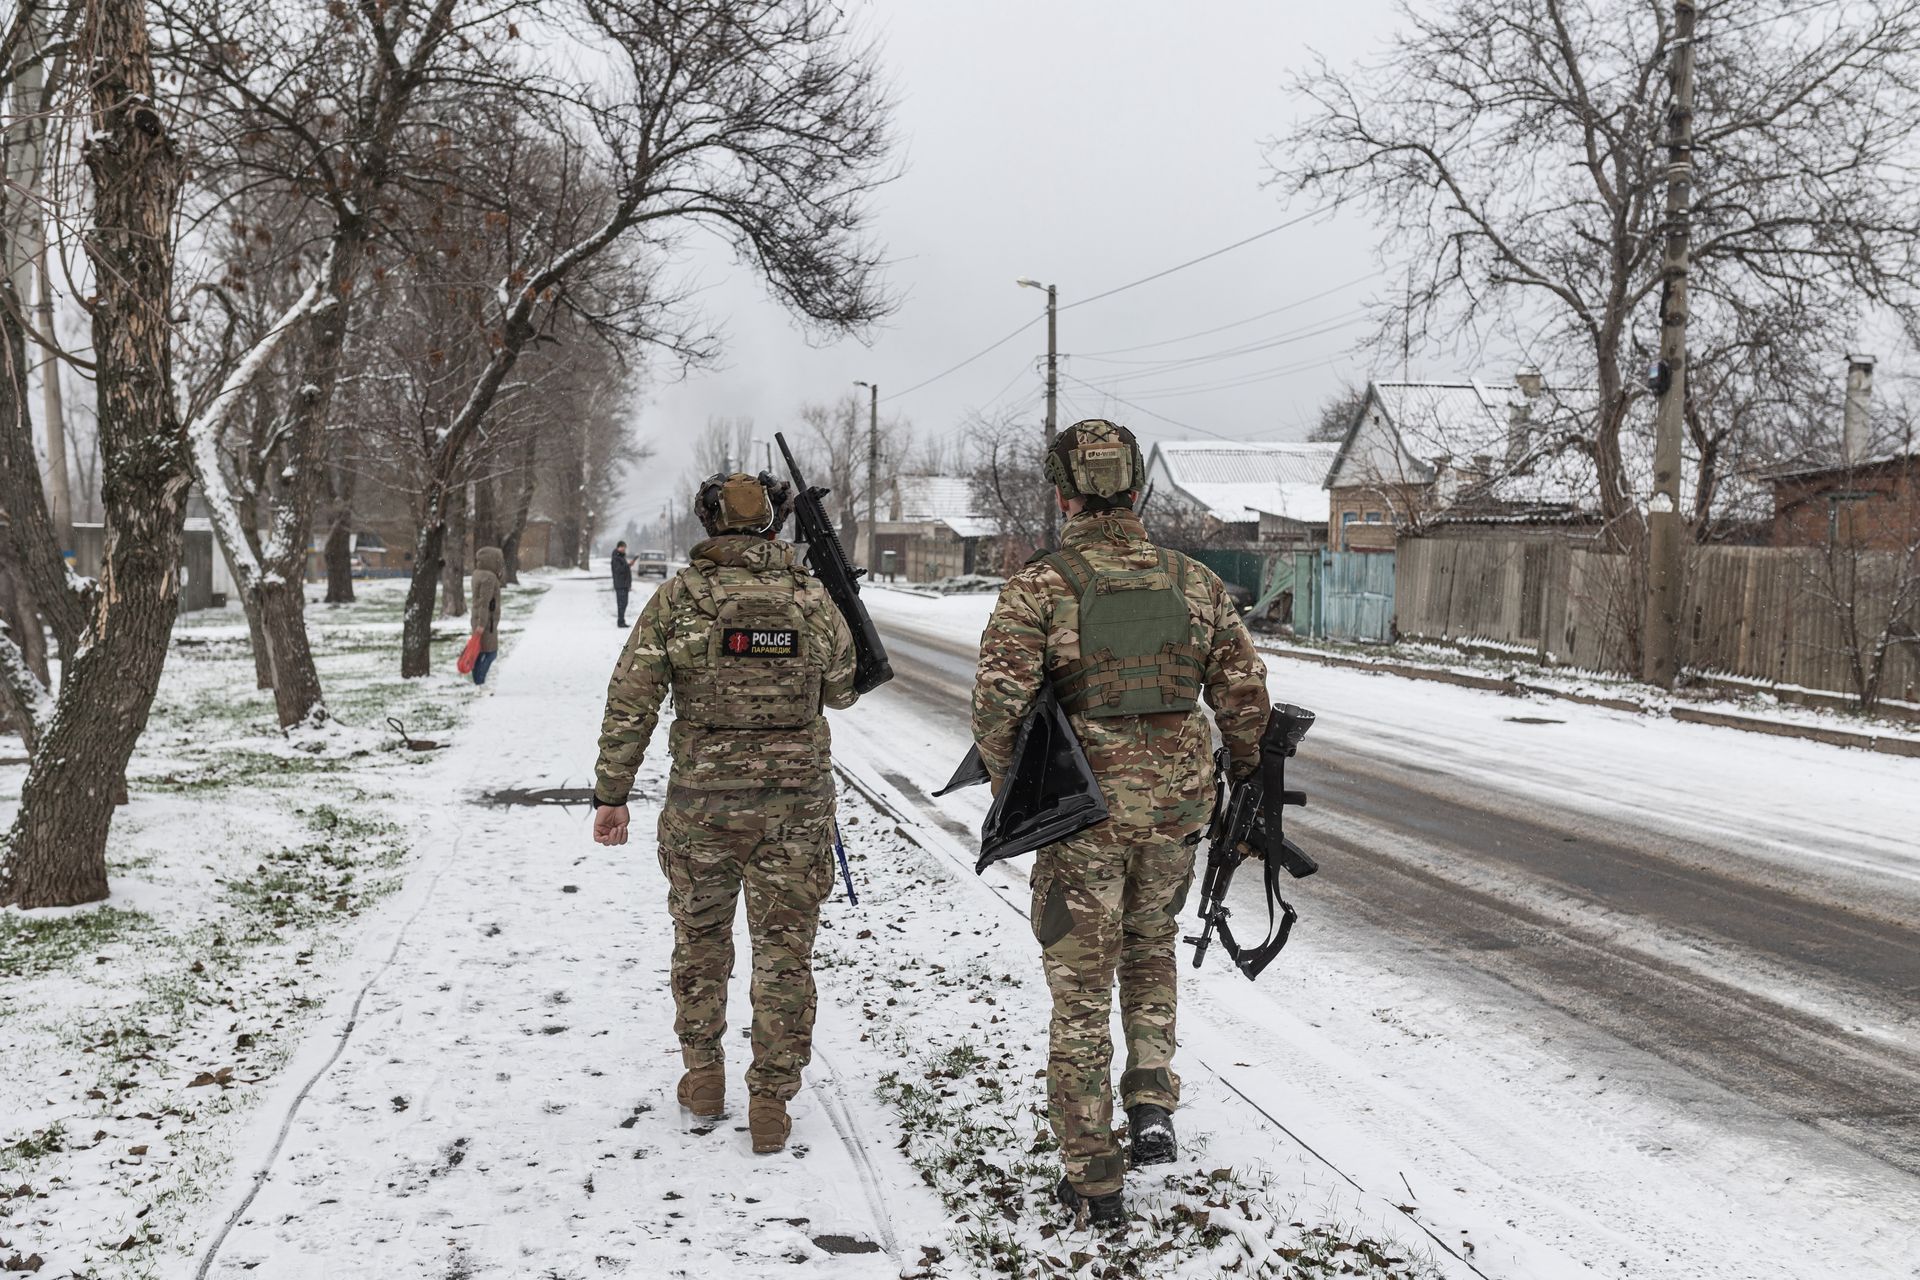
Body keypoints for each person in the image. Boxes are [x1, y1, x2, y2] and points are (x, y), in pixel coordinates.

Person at [970, 420, 1269, 1227]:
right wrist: (1241, 787)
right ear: (1136, 488)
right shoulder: (1195, 582)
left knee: (1079, 991)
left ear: (1063, 492)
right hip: (1174, 812)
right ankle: (1150, 1102)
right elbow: (1244, 699)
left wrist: (1020, 797)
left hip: (1082, 817)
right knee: (1149, 949)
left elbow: (996, 712)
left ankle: (1093, 1174)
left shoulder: (1041, 587)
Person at [590, 472, 859, 1155]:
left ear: (709, 524)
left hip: (703, 810)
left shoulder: (679, 599)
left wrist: (612, 795)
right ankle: (771, 1100)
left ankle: (704, 1076)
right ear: (771, 522)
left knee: (701, 944)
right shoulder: (809, 595)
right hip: (796, 810)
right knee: (785, 956)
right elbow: (844, 689)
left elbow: (632, 700)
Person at [468, 546, 506, 685]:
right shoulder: (489, 578)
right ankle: (479, 681)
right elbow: (484, 603)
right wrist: (481, 625)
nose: (500, 563)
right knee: (490, 653)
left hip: (479, 619)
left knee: (479, 651)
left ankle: (477, 680)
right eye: (498, 561)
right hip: (486, 622)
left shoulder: (478, 573)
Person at [611, 540, 634, 628]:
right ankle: (620, 622)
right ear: (619, 547)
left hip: (624, 584)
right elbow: (618, 570)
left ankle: (622, 621)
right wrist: (628, 565)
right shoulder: (616, 557)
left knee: (624, 603)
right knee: (621, 604)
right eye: (624, 548)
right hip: (620, 584)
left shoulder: (621, 557)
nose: (625, 549)